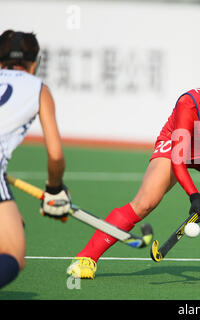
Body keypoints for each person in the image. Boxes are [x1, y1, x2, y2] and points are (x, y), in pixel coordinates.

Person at [67, 58, 200, 287]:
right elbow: (179, 158)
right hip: (177, 147)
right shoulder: (188, 103)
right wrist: (194, 195)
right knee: (145, 202)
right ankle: (86, 258)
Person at [0, 30, 71, 289]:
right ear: (35, 63)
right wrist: (54, 188)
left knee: (12, 223)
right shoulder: (38, 89)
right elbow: (55, 155)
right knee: (12, 254)